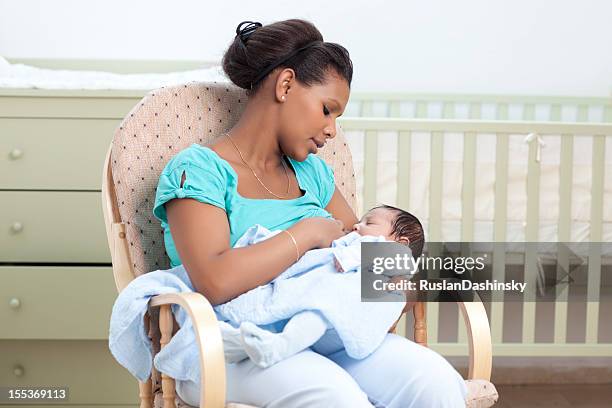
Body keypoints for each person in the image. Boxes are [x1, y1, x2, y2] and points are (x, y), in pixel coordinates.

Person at [153, 18, 467, 408]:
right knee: (337, 397)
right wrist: (307, 235)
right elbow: (214, 281)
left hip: (321, 333)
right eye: (327, 110)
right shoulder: (200, 170)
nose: (332, 130)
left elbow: (362, 263)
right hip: (231, 344)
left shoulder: (313, 173)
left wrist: (399, 272)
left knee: (435, 381)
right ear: (285, 86)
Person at [214, 205, 425, 369]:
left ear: (401, 243)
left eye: (369, 222)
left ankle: (278, 347)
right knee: (303, 312)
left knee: (317, 313)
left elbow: (371, 255)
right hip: (332, 314)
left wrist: (348, 256)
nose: (356, 226)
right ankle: (248, 345)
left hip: (338, 310)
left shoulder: (393, 255)